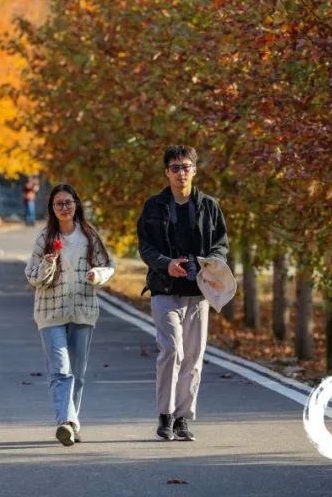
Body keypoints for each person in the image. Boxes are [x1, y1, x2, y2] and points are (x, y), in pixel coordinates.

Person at [137, 145, 229, 442]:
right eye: (175, 168)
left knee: (193, 356)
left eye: (185, 167)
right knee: (172, 350)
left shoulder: (209, 206)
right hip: (165, 288)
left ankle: (182, 419)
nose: (180, 173)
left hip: (198, 291)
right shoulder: (153, 206)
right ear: (167, 172)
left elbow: (221, 244)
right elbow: (146, 247)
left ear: (195, 170)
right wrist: (166, 264)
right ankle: (164, 415)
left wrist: (210, 262)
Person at [25, 183, 114, 446]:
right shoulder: (45, 238)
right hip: (50, 313)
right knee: (61, 370)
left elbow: (107, 266)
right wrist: (47, 264)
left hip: (84, 311)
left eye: (68, 203)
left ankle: (71, 422)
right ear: (52, 209)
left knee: (78, 371)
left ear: (76, 204)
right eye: (58, 204)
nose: (64, 208)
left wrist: (96, 275)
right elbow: (32, 277)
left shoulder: (89, 237)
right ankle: (66, 422)